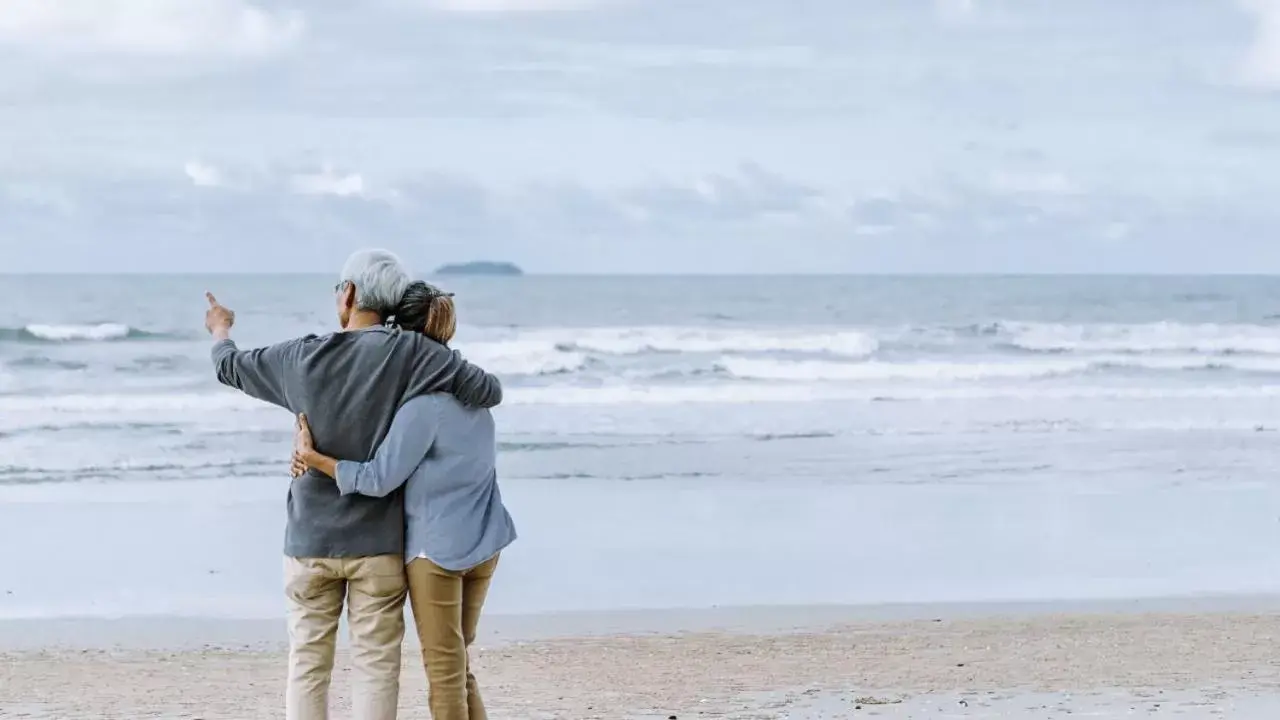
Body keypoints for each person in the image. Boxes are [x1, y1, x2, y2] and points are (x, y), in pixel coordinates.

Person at [203, 250, 503, 720]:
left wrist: (220, 328)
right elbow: (487, 390)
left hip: (310, 539)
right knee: (377, 665)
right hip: (377, 544)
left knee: (307, 662)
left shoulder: (299, 358)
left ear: (348, 294)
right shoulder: (413, 353)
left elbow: (230, 366)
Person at [290, 280, 517, 720]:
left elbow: (376, 478)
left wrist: (313, 458)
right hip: (487, 540)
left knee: (445, 672)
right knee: (460, 664)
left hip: (438, 554)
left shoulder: (423, 407)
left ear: (401, 335)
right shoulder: (476, 398)